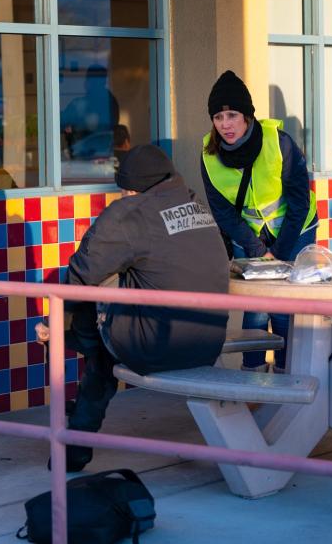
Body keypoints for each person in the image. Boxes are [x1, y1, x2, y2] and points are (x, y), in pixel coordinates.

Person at [39, 144, 230, 471]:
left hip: (156, 348)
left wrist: (52, 326)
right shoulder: (196, 204)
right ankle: (76, 429)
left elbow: (81, 275)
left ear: (131, 188)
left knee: (94, 334)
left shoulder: (129, 213)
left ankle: (75, 445)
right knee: (100, 323)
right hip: (207, 343)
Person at [200, 70, 318, 373]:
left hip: (295, 229)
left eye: (232, 115)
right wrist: (256, 248)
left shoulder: (280, 143)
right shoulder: (209, 154)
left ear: (247, 116)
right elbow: (222, 212)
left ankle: (285, 371)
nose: (225, 124)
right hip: (249, 233)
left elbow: (299, 200)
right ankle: (251, 373)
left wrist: (278, 253)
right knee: (255, 308)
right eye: (218, 117)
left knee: (284, 306)